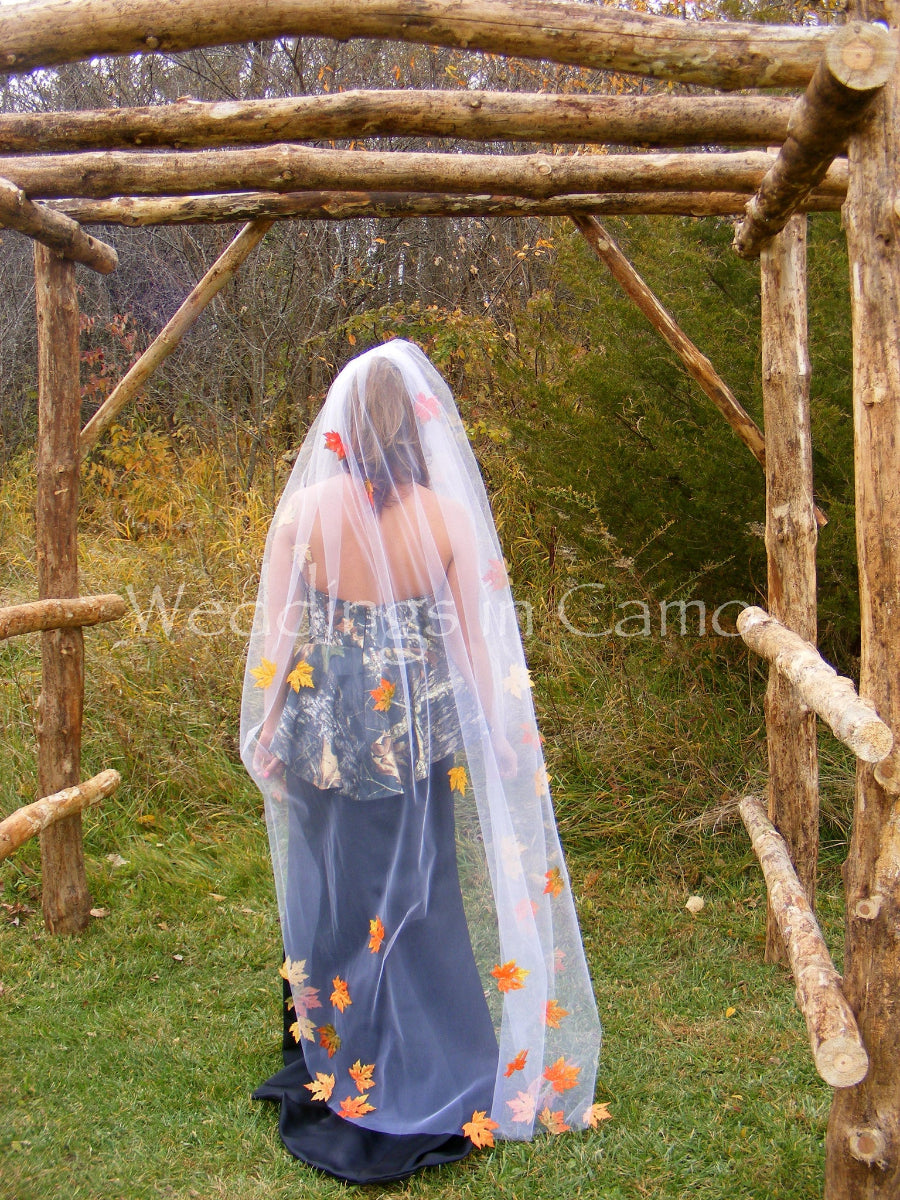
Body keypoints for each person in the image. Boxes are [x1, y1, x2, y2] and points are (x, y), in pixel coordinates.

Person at [240, 339, 601, 1183]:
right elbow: (474, 645)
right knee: (419, 890)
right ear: (420, 426)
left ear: (339, 424)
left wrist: (265, 723)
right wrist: (501, 729)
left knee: (334, 886)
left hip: (327, 723)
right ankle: (427, 1048)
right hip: (412, 731)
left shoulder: (305, 514)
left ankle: (341, 1042)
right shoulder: (445, 517)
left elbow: (279, 634)